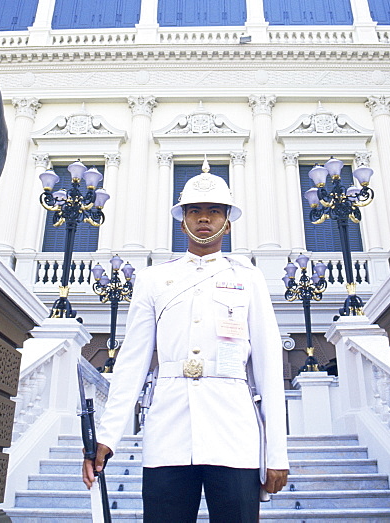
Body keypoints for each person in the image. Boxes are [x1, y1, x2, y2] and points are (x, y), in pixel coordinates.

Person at [82, 161, 289, 522]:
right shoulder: (153, 280)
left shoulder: (249, 278)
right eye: (195, 211)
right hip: (169, 432)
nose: (204, 218)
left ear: (227, 220)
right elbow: (131, 363)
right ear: (183, 221)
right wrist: (107, 436)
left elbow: (270, 369)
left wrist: (277, 455)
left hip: (234, 432)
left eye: (213, 211)